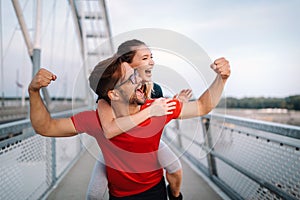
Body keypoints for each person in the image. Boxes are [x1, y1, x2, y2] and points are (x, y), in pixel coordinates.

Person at [28, 55, 230, 199]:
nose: (141, 80)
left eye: (137, 75)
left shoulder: (159, 108)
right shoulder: (96, 120)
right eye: (131, 79)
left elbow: (203, 106)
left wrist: (221, 79)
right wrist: (34, 91)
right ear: (113, 95)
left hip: (155, 191)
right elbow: (46, 127)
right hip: (119, 195)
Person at [88, 39, 191, 200]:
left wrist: (177, 103)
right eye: (144, 58)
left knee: (175, 167)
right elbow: (107, 120)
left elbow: (160, 111)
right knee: (93, 194)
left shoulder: (155, 88)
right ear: (127, 63)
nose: (151, 62)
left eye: (151, 57)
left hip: (145, 142)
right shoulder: (112, 89)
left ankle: (175, 196)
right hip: (116, 145)